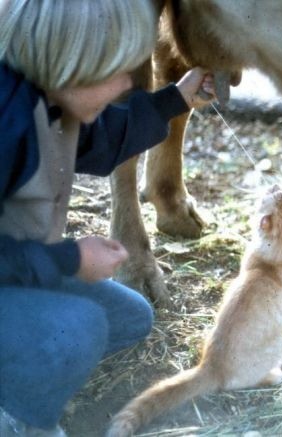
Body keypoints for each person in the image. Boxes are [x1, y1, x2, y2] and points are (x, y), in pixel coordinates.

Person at [0, 1, 217, 435]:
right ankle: (22, 422)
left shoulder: (52, 103)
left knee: (131, 318)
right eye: (114, 74)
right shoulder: (8, 126)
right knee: (79, 329)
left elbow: (106, 139)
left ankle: (25, 366)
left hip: (18, 275)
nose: (124, 86)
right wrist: (70, 261)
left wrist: (176, 98)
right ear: (69, 67)